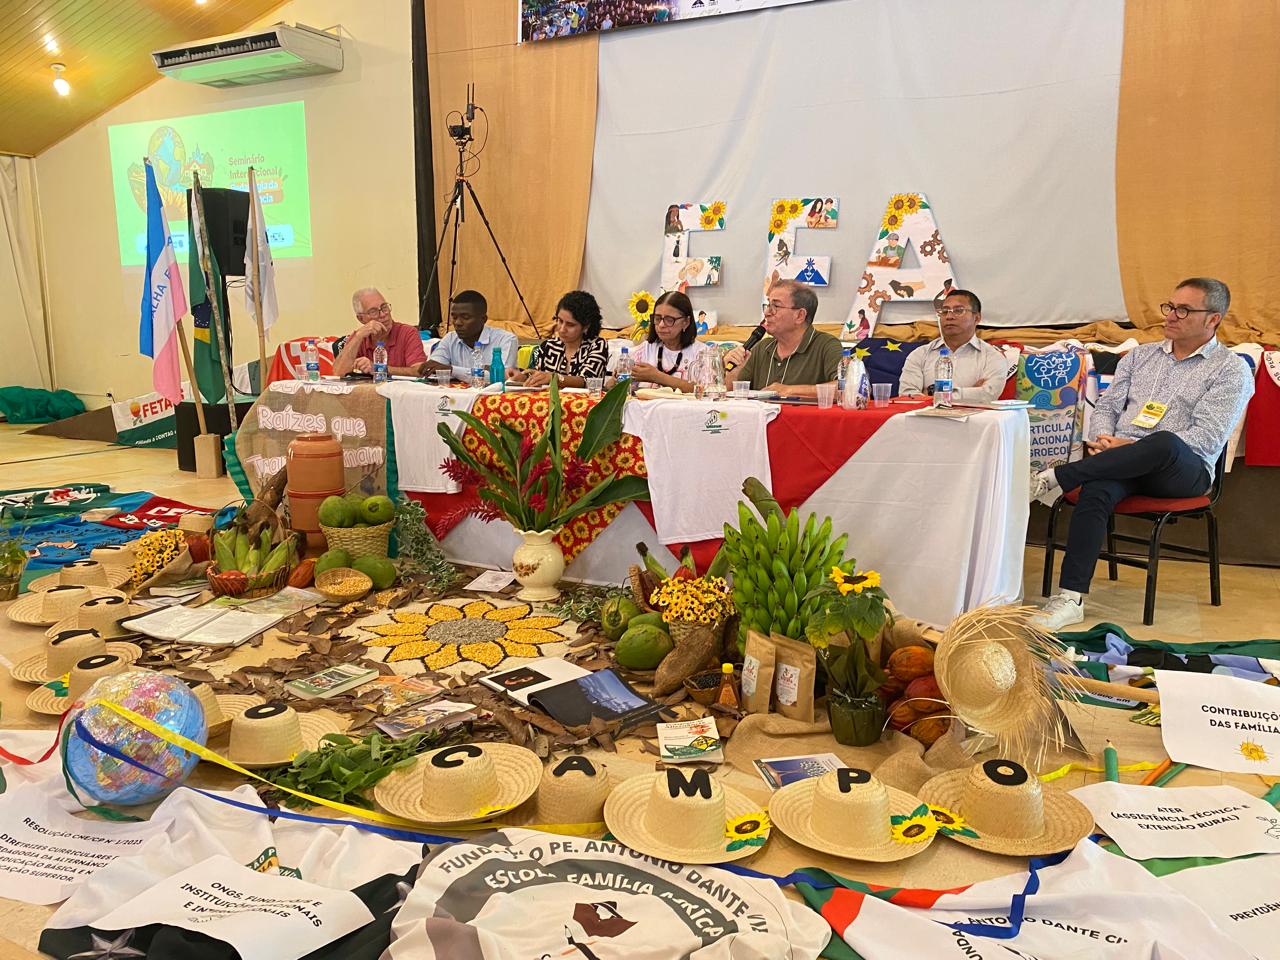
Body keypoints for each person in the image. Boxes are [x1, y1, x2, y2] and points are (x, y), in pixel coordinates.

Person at [1031, 277, 1254, 630]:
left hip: (1182, 470)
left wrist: (1128, 447)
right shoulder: (1140, 356)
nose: (1171, 315)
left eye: (1184, 310)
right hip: (1123, 462)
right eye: (1171, 306)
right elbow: (1107, 406)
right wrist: (1104, 438)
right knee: (1097, 489)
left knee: (1163, 442)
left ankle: (1057, 476)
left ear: (1213, 319)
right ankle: (1071, 599)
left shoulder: (1231, 369)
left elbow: (1205, 438)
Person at [723, 280, 842, 398]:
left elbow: (844, 387)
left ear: (800, 315)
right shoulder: (761, 348)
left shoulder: (827, 345)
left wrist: (790, 390)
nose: (767, 312)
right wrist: (733, 374)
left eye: (775, 306)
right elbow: (732, 397)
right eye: (768, 305)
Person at [898, 290, 1008, 402]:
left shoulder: (992, 357)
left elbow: (987, 395)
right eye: (944, 311)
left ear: (976, 318)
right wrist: (970, 394)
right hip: (928, 414)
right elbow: (907, 396)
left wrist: (931, 395)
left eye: (958, 310)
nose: (949, 316)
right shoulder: (920, 354)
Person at [509, 290, 610, 389]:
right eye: (560, 321)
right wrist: (523, 377)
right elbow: (538, 375)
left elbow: (587, 381)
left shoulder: (597, 345)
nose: (562, 329)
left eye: (570, 325)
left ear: (586, 326)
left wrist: (555, 378)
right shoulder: (548, 346)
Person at [419, 290, 519, 381]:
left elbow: (502, 376)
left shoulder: (506, 339)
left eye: (465, 317)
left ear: (483, 319)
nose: (457, 323)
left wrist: (452, 370)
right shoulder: (450, 338)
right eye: (454, 317)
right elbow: (435, 367)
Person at [331, 288, 427, 378]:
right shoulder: (359, 336)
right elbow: (338, 372)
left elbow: (419, 371)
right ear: (361, 319)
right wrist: (358, 337)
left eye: (384, 307)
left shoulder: (407, 333)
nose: (383, 314)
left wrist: (378, 369)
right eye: (373, 311)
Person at [630, 291, 708, 393]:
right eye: (657, 318)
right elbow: (620, 384)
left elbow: (706, 390)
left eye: (669, 320)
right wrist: (617, 377)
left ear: (686, 322)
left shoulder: (703, 353)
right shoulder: (645, 350)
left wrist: (657, 376)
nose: (661, 325)